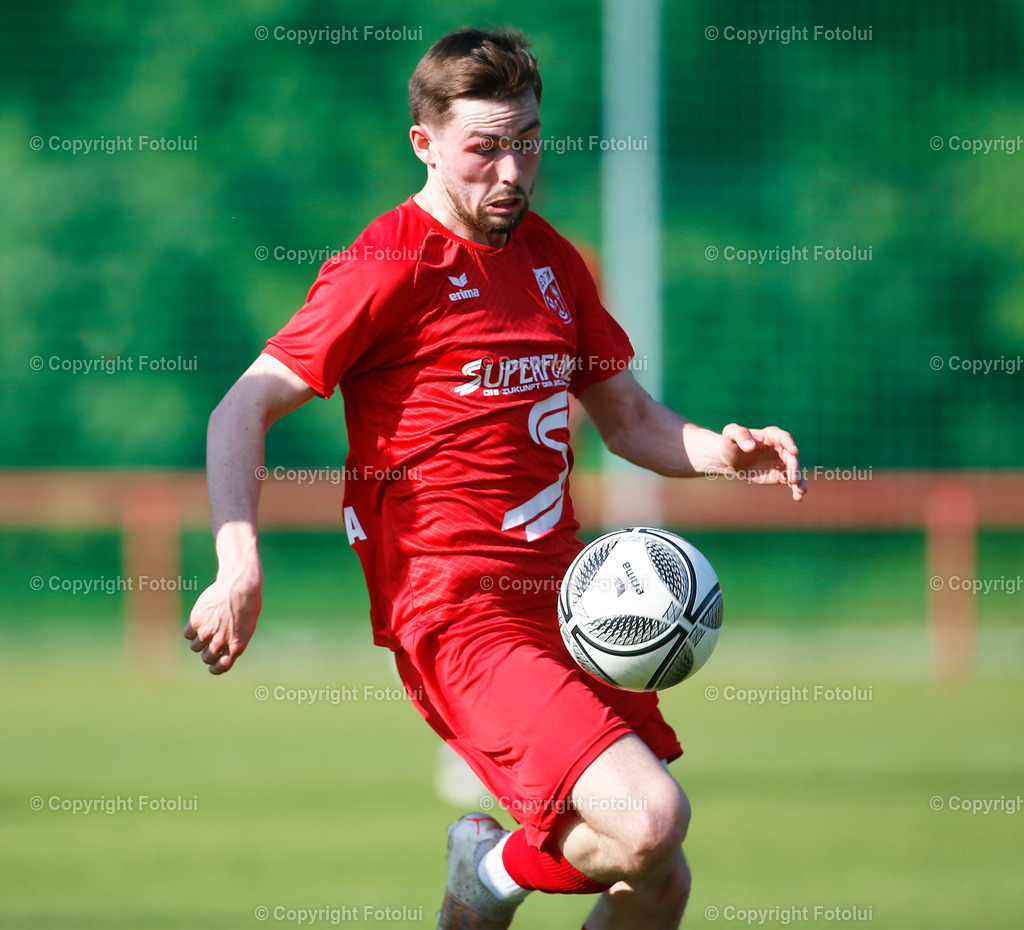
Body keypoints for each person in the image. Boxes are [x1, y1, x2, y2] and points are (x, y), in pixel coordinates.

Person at [184, 27, 805, 930]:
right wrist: (237, 561)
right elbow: (239, 408)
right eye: (485, 148)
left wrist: (721, 450)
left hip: (570, 603)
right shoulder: (389, 264)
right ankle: (489, 868)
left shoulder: (553, 260)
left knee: (658, 879)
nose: (511, 172)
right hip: (457, 611)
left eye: (527, 143)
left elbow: (630, 420)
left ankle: (487, 880)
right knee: (651, 821)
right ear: (425, 143)